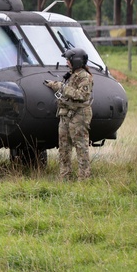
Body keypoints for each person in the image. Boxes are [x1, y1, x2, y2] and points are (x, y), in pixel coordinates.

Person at [44, 48, 94, 180]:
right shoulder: (71, 75)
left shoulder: (85, 77)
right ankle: (64, 176)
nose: (67, 62)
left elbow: (81, 95)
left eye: (68, 60)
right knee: (64, 147)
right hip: (66, 114)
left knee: (81, 147)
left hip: (79, 115)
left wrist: (60, 87)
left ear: (76, 61)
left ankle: (84, 178)